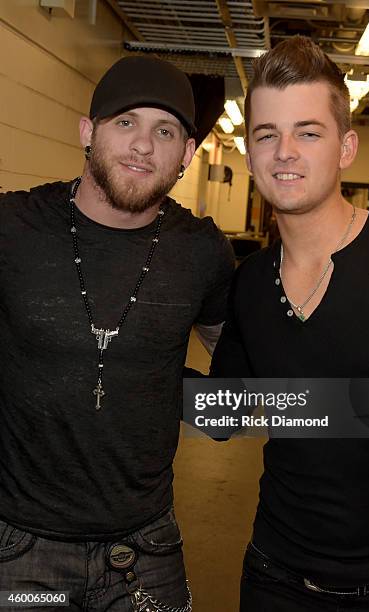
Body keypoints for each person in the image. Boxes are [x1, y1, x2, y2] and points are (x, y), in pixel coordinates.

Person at [0, 55, 234, 611]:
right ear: (88, 131)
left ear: (187, 153)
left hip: (146, 549)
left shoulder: (202, 251)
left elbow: (245, 372)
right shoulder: (12, 229)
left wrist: (176, 392)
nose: (143, 146)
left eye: (165, 131)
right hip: (20, 549)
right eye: (125, 122)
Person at [211, 36, 369, 611]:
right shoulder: (251, 281)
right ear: (250, 150)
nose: (285, 151)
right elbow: (226, 410)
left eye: (308, 132)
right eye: (267, 134)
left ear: (346, 147)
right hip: (273, 578)